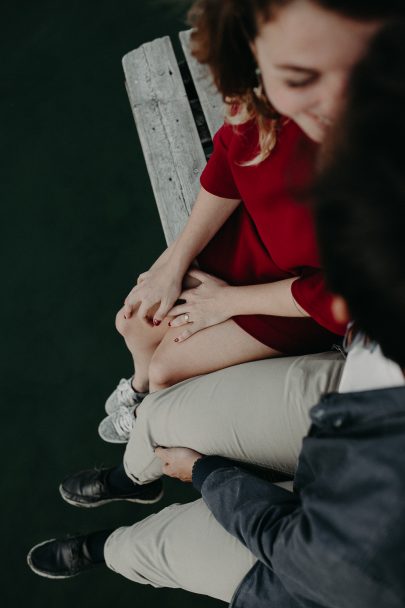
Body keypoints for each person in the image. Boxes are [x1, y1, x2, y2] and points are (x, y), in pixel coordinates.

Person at [27, 12, 405, 608]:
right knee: (154, 377)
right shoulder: (281, 113)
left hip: (334, 537)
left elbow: (316, 562)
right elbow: (239, 150)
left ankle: (116, 532)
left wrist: (207, 475)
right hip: (360, 390)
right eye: (300, 75)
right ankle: (136, 467)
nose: (337, 104)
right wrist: (174, 262)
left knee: (160, 527)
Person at [97, 0, 385, 444]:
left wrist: (228, 302)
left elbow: (344, 293)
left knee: (168, 370)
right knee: (135, 320)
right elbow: (230, 165)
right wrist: (175, 261)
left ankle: (151, 415)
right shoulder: (262, 94)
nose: (329, 100)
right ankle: (138, 389)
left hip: (299, 292)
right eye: (297, 76)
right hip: (252, 239)